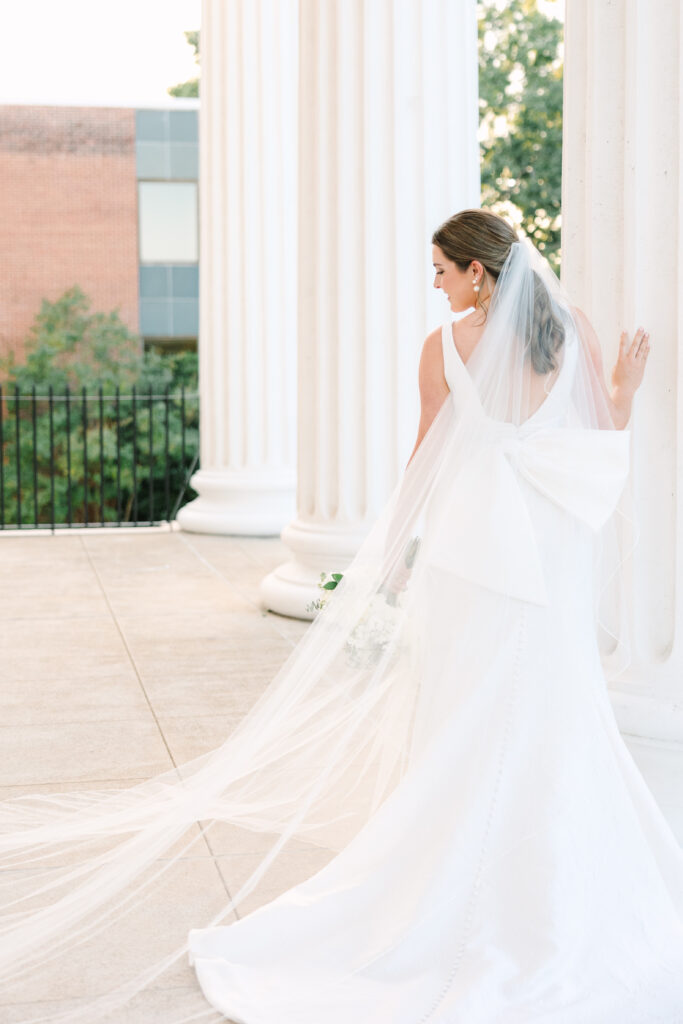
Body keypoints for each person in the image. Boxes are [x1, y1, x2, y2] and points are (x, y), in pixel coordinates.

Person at [2, 209, 683, 1024]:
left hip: (473, 553)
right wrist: (624, 392)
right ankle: (528, 889)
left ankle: (455, 884)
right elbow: (598, 447)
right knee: (540, 715)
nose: (432, 284)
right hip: (542, 553)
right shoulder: (572, 329)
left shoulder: (442, 350)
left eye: (439, 269)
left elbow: (424, 457)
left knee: (463, 719)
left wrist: (393, 553)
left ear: (476, 272)